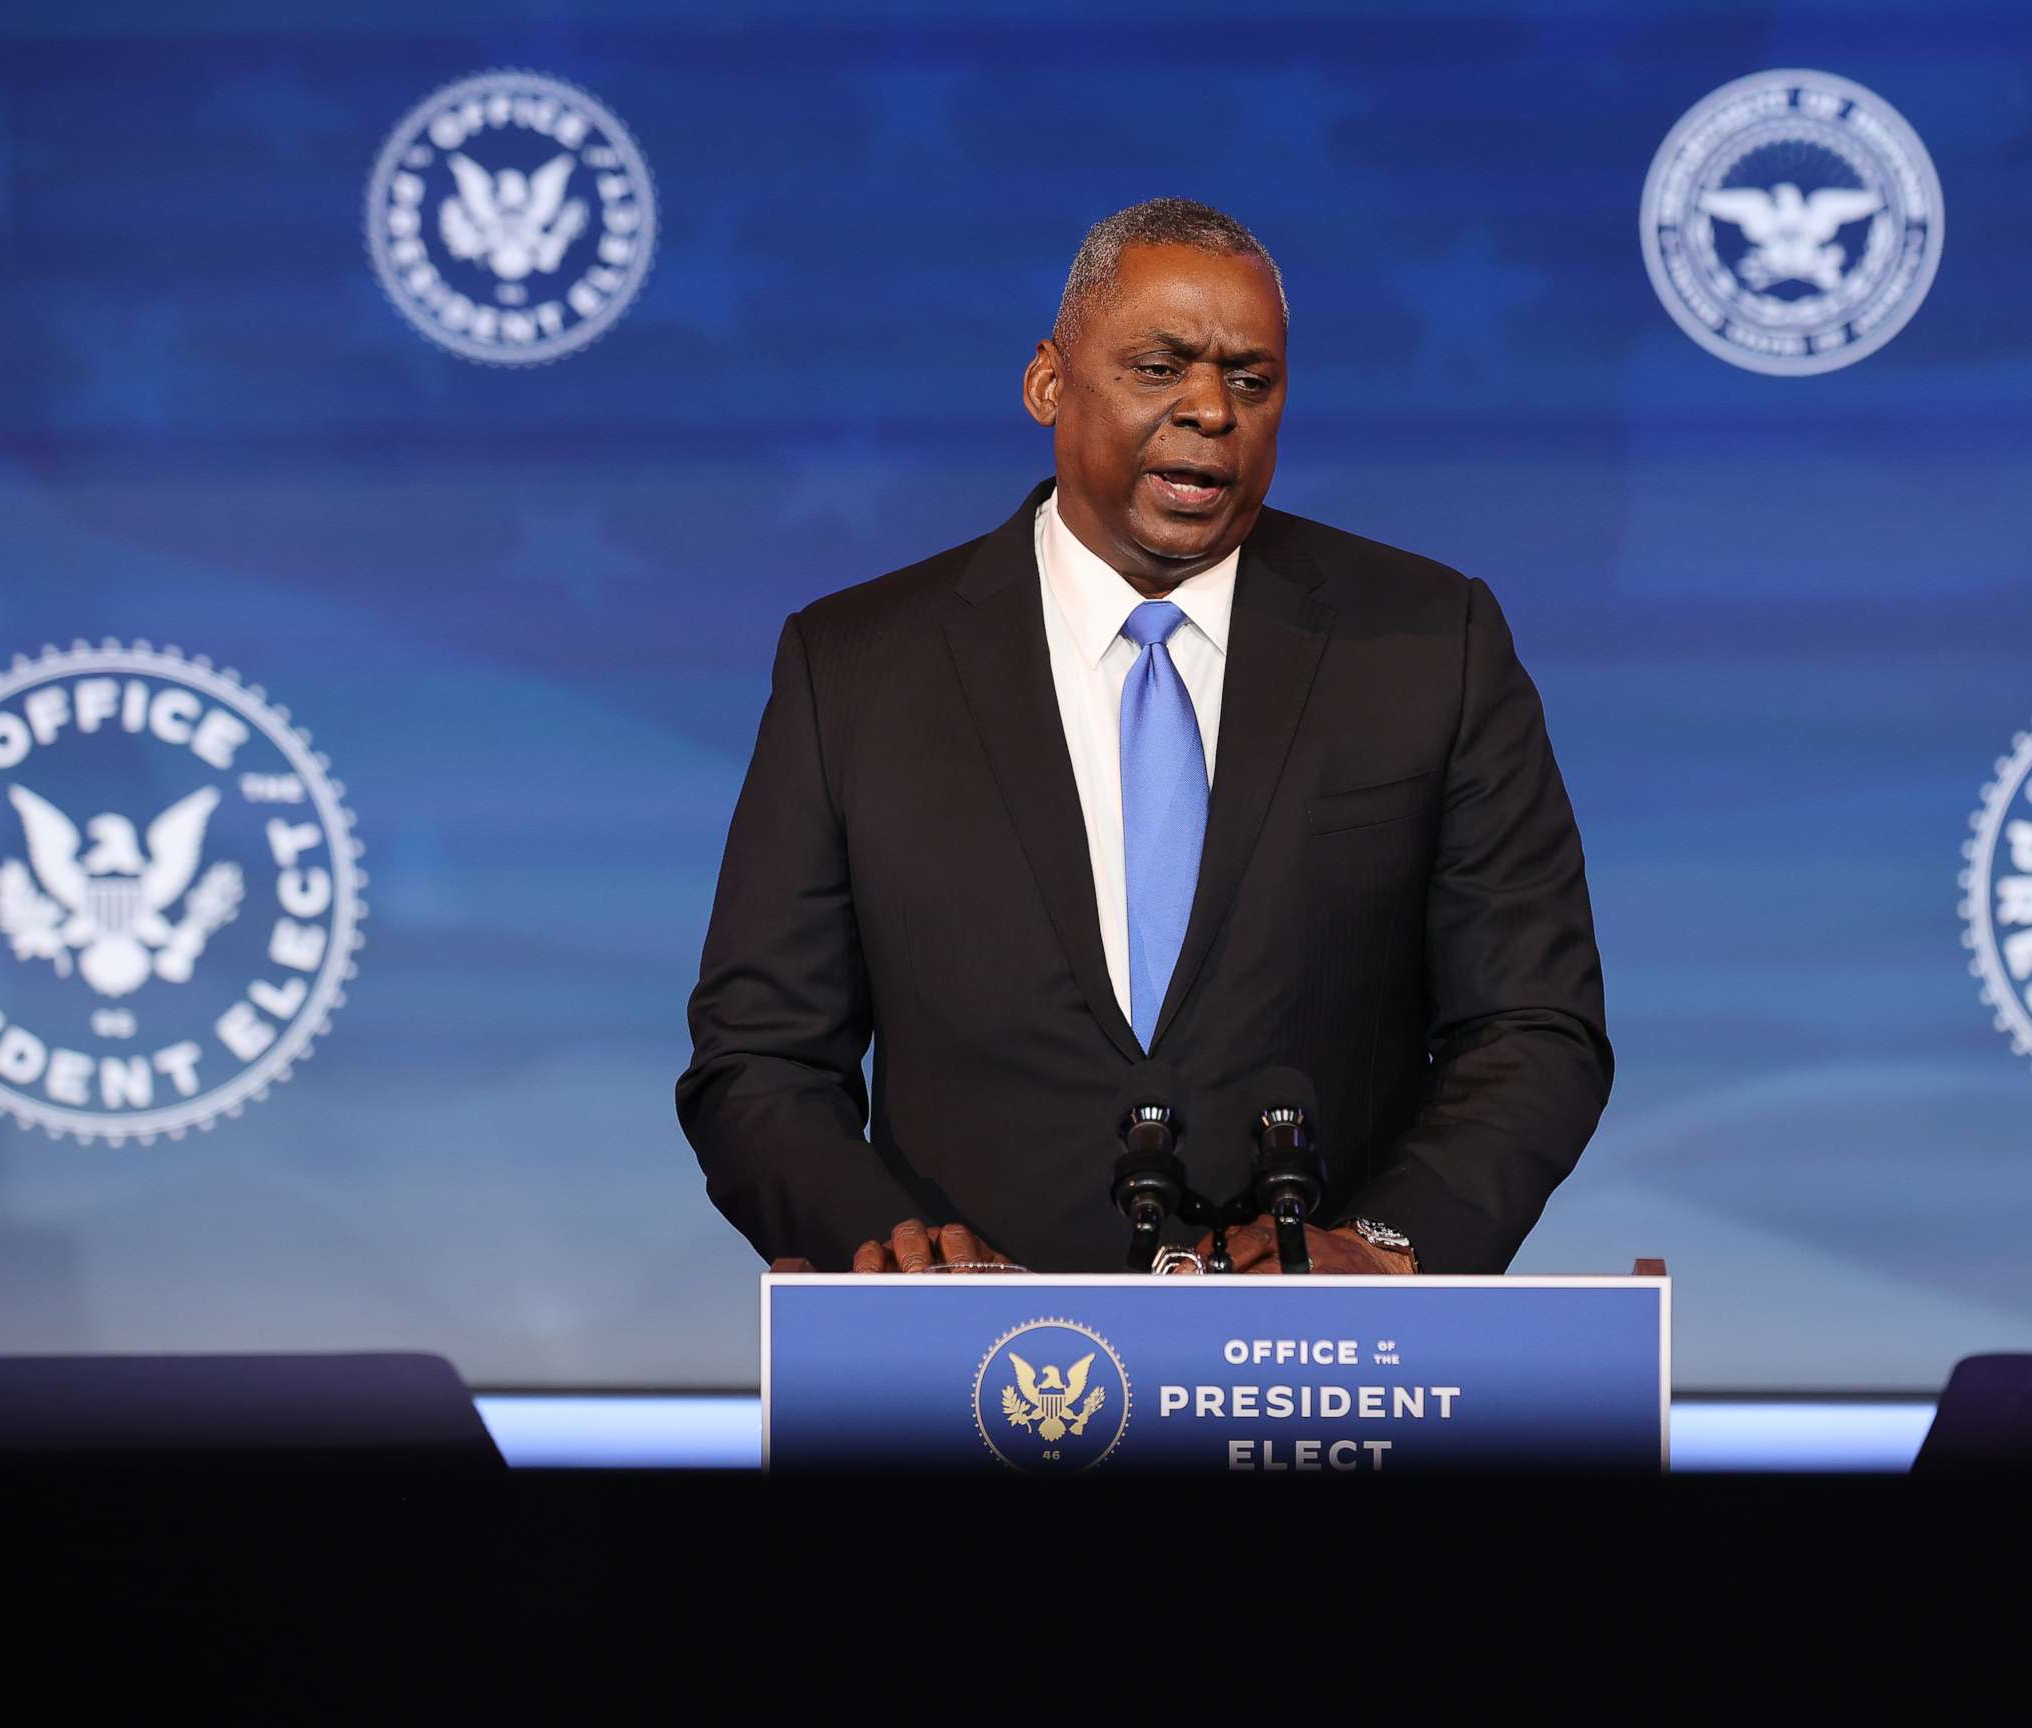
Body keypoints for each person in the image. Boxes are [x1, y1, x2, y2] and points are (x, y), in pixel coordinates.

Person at [679, 198, 1610, 1276]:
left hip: (1319, 1384)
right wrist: (878, 1247)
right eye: (1161, 368)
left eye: (1251, 381)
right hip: (975, 1382)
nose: (1212, 410)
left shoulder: (1425, 642)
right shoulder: (855, 666)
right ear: (1047, 383)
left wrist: (1387, 1248)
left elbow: (1535, 1026)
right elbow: (759, 1058)